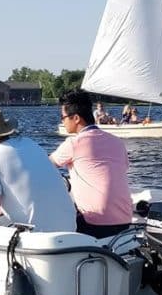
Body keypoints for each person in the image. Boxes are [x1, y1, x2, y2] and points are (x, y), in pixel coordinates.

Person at [50, 90, 134, 238]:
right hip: (125, 219)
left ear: (76, 118)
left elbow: (46, 166)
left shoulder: (74, 143)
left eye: (62, 117)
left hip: (94, 222)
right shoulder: (117, 141)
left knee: (51, 221)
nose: (62, 121)